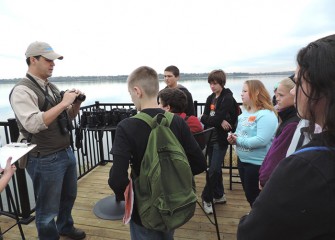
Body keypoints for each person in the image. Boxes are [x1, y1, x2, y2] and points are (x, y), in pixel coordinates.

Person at [237, 34, 335, 240]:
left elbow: (252, 233)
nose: (293, 89)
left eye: (299, 81)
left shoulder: (307, 167)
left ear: (322, 87)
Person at [108, 66, 206, 240]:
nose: (132, 99)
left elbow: (117, 179)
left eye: (131, 94)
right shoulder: (177, 121)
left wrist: (128, 196)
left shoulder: (127, 127)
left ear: (137, 91)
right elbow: (199, 163)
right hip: (175, 205)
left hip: (144, 211)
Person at [9, 41, 86, 240]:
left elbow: (65, 117)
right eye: (48, 60)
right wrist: (63, 102)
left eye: (54, 60)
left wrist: (74, 105)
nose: (53, 64)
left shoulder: (51, 87)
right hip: (44, 158)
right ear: (33, 60)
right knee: (47, 209)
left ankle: (65, 227)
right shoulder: (22, 90)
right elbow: (33, 124)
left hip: (65, 151)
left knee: (68, 197)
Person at [227, 80, 278, 206]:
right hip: (243, 161)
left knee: (256, 197)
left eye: (245, 91)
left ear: (256, 93)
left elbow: (261, 140)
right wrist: (233, 138)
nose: (241, 94)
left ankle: (260, 221)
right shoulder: (244, 114)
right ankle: (257, 217)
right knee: (250, 195)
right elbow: (241, 134)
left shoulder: (266, 115)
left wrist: (238, 140)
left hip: (257, 164)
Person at [200, 69, 238, 214]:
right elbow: (203, 117)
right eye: (210, 83)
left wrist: (216, 120)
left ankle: (206, 197)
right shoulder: (211, 98)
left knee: (214, 169)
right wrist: (218, 120)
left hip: (221, 140)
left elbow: (209, 118)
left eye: (215, 83)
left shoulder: (227, 98)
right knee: (215, 169)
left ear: (221, 83)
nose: (212, 86)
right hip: (210, 138)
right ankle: (219, 195)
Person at [258, 77, 299, 188]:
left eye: (281, 95)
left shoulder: (292, 125)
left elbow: (277, 155)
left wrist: (264, 179)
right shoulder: (287, 120)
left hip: (274, 183)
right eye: (276, 96)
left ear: (294, 94)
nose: (277, 99)